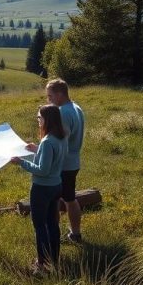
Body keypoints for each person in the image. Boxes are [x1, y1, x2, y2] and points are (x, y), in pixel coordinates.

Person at [10, 104, 67, 272]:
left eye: (39, 118)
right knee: (52, 223)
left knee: (40, 226)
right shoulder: (61, 137)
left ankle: (42, 264)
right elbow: (51, 159)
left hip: (42, 189)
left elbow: (43, 170)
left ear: (47, 120)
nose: (38, 120)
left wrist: (21, 162)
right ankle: (54, 258)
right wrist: (37, 150)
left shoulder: (48, 141)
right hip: (57, 186)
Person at [46, 78, 85, 243]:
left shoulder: (63, 113)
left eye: (50, 96)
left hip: (62, 165)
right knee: (70, 198)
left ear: (60, 94)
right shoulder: (76, 108)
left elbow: (58, 142)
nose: (49, 100)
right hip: (73, 162)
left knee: (52, 200)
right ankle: (75, 234)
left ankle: (52, 236)